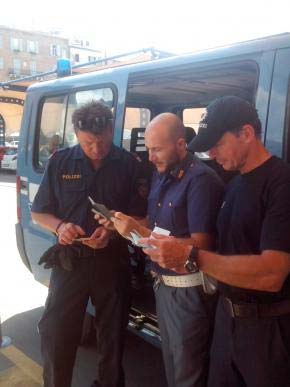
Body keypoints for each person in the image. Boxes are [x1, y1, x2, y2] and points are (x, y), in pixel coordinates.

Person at [140, 96, 290, 387]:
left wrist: (191, 256)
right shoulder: (233, 185)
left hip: (269, 329)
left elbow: (272, 273)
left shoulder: (281, 184)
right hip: (227, 319)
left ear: (246, 133)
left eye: (217, 144)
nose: (211, 152)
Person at [31, 100, 147, 387]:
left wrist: (114, 230)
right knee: (57, 332)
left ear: (111, 131)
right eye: (88, 143)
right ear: (76, 134)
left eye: (103, 143)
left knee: (113, 337)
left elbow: (142, 217)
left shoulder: (129, 165)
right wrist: (60, 227)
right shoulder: (60, 161)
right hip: (70, 262)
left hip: (112, 262)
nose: (96, 149)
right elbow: (38, 211)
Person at [105, 113, 224, 387]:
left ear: (181, 144)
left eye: (156, 149)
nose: (150, 157)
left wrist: (139, 232)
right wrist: (123, 223)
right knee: (172, 363)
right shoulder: (161, 174)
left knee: (188, 371)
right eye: (148, 149)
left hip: (188, 288)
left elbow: (201, 247)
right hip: (162, 284)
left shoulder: (201, 180)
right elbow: (157, 227)